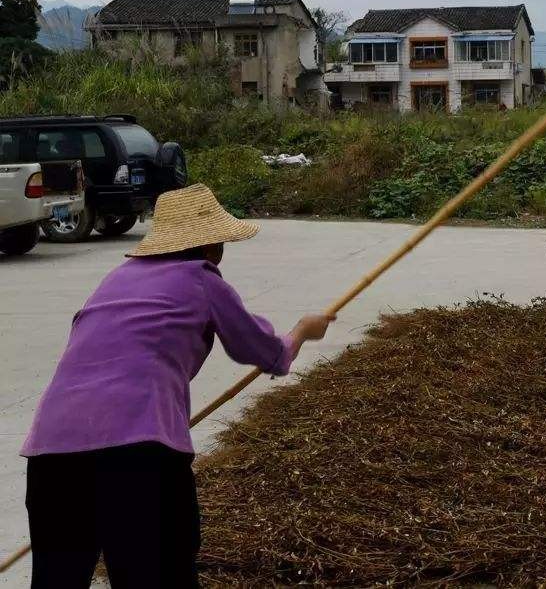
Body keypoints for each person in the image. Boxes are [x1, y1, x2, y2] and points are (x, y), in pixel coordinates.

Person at [20, 184, 332, 587]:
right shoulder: (201, 278)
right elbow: (268, 353)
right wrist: (304, 331)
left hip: (53, 451)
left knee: (56, 579)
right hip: (139, 456)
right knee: (158, 575)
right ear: (211, 247)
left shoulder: (115, 279)